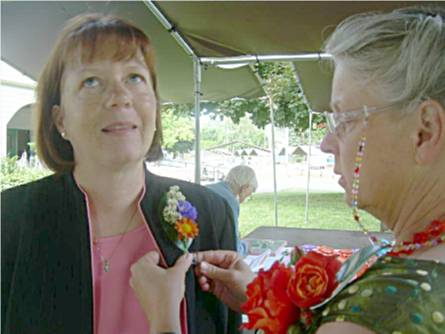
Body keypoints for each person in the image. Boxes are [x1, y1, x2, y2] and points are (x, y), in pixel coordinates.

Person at [128, 6, 445, 334]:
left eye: (346, 120)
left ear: (424, 132)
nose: (326, 143)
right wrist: (263, 298)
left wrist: (163, 314)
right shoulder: (422, 255)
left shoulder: (388, 308)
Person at [1, 14, 240, 334]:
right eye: (91, 81)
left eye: (134, 78)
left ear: (155, 106)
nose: (119, 97)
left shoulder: (210, 213)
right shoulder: (10, 219)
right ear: (60, 121)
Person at [206, 165, 258, 255]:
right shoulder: (229, 201)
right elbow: (234, 249)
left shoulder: (208, 188)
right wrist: (246, 246)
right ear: (246, 187)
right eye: (252, 191)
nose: (249, 195)